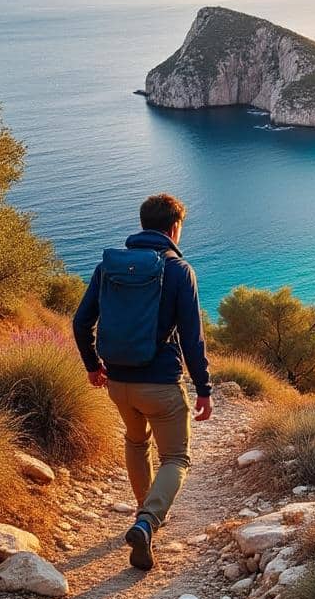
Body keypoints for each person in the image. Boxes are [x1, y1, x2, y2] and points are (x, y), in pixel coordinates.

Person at [72, 193, 211, 571]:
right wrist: (204, 388)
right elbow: (192, 337)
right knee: (176, 457)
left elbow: (81, 321)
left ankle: (142, 511)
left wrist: (92, 365)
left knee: (136, 440)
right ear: (174, 227)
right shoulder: (180, 271)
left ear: (143, 223)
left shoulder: (109, 267)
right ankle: (148, 521)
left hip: (118, 382)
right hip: (162, 385)